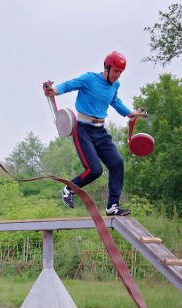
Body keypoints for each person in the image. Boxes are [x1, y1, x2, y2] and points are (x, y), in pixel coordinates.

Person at [43, 51, 147, 216]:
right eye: (115, 71)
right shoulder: (90, 78)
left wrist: (130, 113)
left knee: (117, 163)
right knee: (94, 170)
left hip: (101, 131)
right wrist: (54, 90)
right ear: (106, 68)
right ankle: (69, 189)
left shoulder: (115, 85)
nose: (117, 75)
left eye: (120, 72)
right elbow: (71, 84)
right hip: (82, 130)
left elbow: (114, 101)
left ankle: (112, 206)